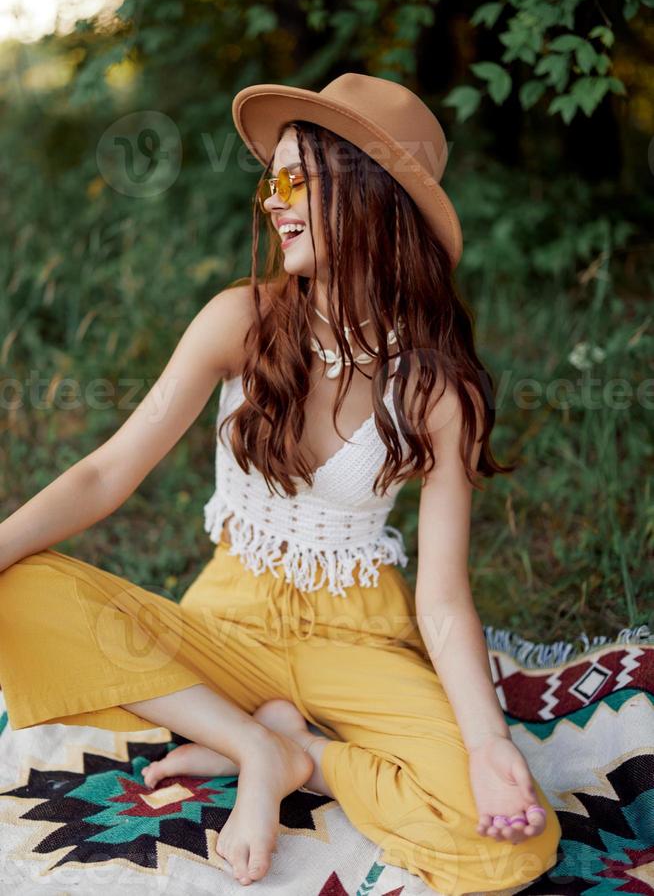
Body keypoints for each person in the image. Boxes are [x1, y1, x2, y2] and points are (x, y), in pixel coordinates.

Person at [0, 73, 561, 894]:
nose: (274, 200)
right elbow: (104, 473)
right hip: (225, 626)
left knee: (515, 848)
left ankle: (304, 756)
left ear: (373, 195)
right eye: (274, 179)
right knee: (20, 585)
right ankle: (254, 742)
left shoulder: (442, 391)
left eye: (299, 179)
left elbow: (442, 600)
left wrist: (487, 744)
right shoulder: (241, 320)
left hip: (359, 641)